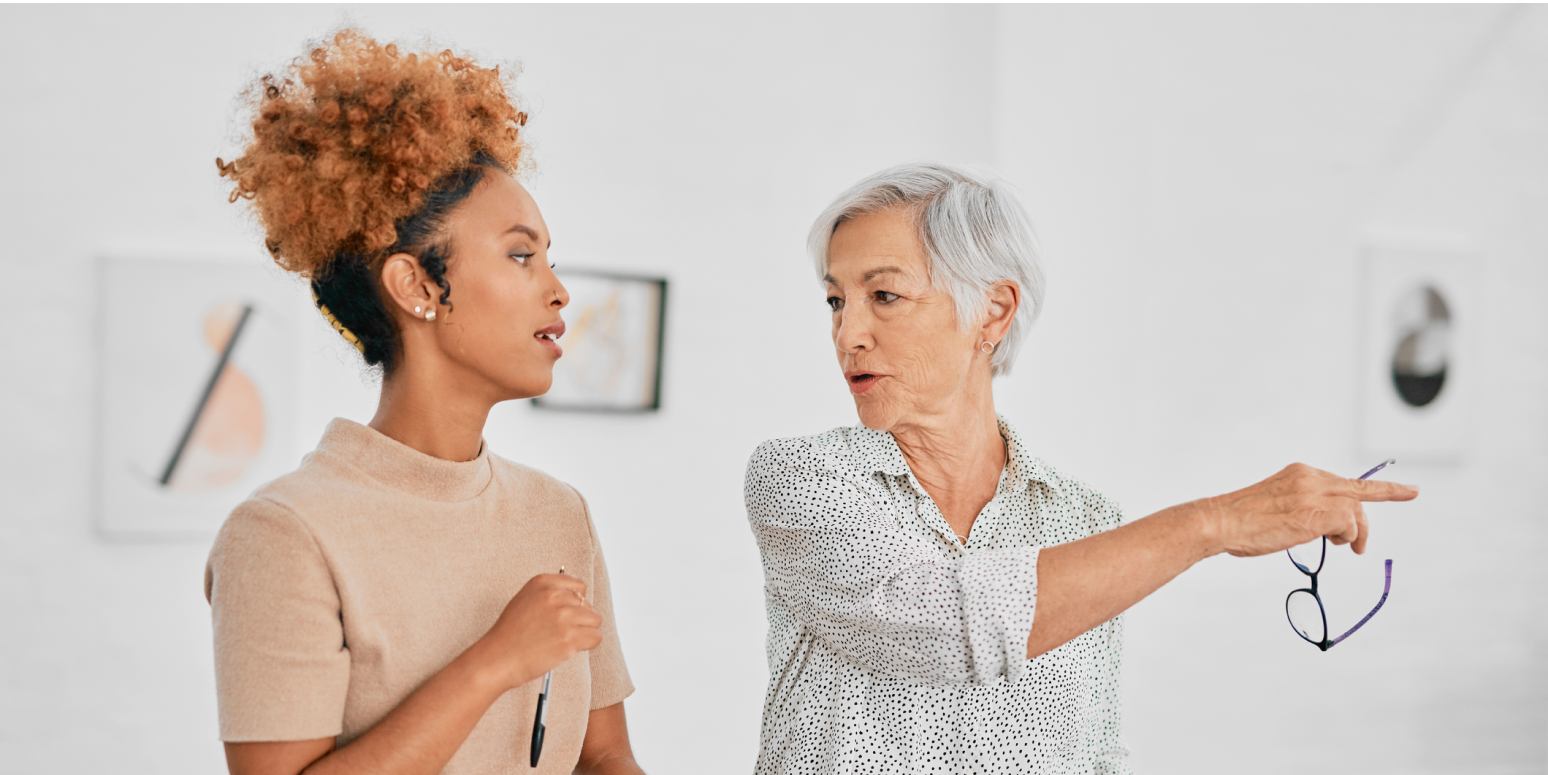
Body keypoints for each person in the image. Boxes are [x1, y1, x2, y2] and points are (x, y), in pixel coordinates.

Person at [742, 162, 1418, 773]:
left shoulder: (1083, 519)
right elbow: (940, 626)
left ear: (993, 311)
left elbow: (1094, 750)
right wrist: (1214, 523)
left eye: (883, 296)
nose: (847, 333)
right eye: (836, 300)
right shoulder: (801, 477)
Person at [205, 30, 645, 775]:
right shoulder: (283, 534)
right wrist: (493, 662)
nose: (558, 289)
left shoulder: (558, 513)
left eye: (549, 258)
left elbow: (603, 756)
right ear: (416, 286)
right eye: (519, 254)